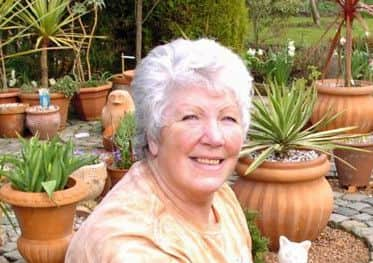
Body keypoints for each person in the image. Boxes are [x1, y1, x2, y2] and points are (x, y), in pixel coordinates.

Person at [65, 38, 253, 263]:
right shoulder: (132, 247)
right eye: (191, 117)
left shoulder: (221, 198)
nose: (215, 137)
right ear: (153, 136)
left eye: (228, 118)